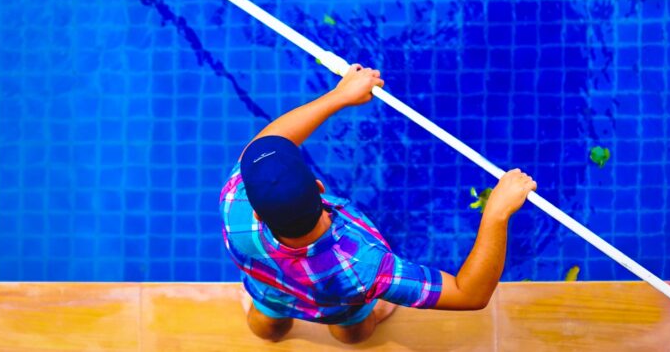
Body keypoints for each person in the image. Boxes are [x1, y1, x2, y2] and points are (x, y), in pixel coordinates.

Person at [219, 63, 537, 344]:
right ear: (318, 187)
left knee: (267, 319)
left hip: (271, 287)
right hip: (339, 302)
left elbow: (262, 147)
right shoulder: (367, 268)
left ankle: (269, 333)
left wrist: (339, 96)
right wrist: (496, 214)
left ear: (259, 210)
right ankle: (351, 334)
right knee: (354, 326)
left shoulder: (236, 207)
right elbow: (470, 294)